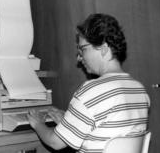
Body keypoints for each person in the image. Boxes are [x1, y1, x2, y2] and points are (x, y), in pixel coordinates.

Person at [27, 13, 150, 153]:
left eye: (83, 49)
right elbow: (110, 133)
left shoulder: (92, 90)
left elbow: (54, 142)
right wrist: (69, 123)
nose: (79, 58)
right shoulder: (139, 90)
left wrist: (38, 123)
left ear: (103, 49)